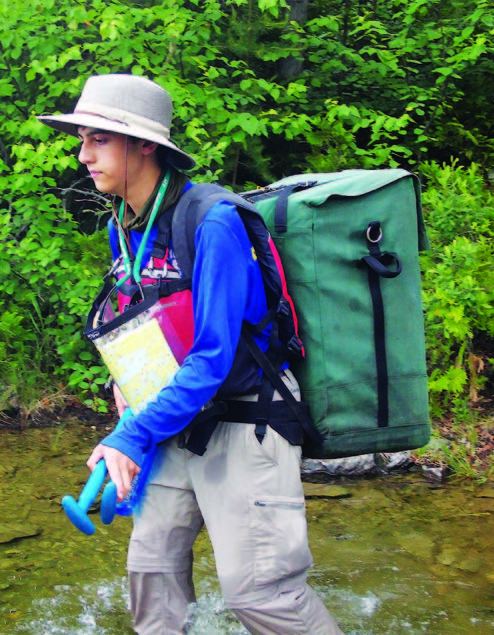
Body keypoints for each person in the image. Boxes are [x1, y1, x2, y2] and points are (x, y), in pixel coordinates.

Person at [38, 74, 344, 635]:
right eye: (82, 140)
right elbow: (145, 329)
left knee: (260, 596)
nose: (82, 155)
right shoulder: (124, 228)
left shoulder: (213, 222)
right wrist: (130, 399)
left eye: (98, 140)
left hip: (247, 417)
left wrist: (132, 437)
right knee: (150, 579)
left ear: (145, 145)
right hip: (176, 419)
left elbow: (213, 357)